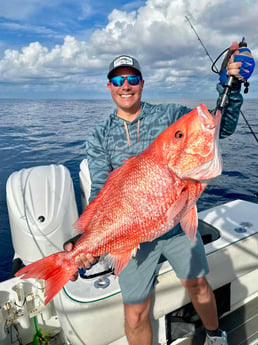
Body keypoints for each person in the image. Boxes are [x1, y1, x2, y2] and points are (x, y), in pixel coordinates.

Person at [65, 42, 255, 345]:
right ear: (109, 86)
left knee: (198, 286)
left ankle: (214, 336)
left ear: (142, 82)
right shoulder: (99, 135)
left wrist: (231, 88)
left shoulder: (170, 115)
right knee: (136, 312)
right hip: (132, 235)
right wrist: (85, 242)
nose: (125, 86)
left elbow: (219, 128)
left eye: (132, 79)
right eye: (118, 80)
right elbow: (102, 191)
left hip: (177, 223)